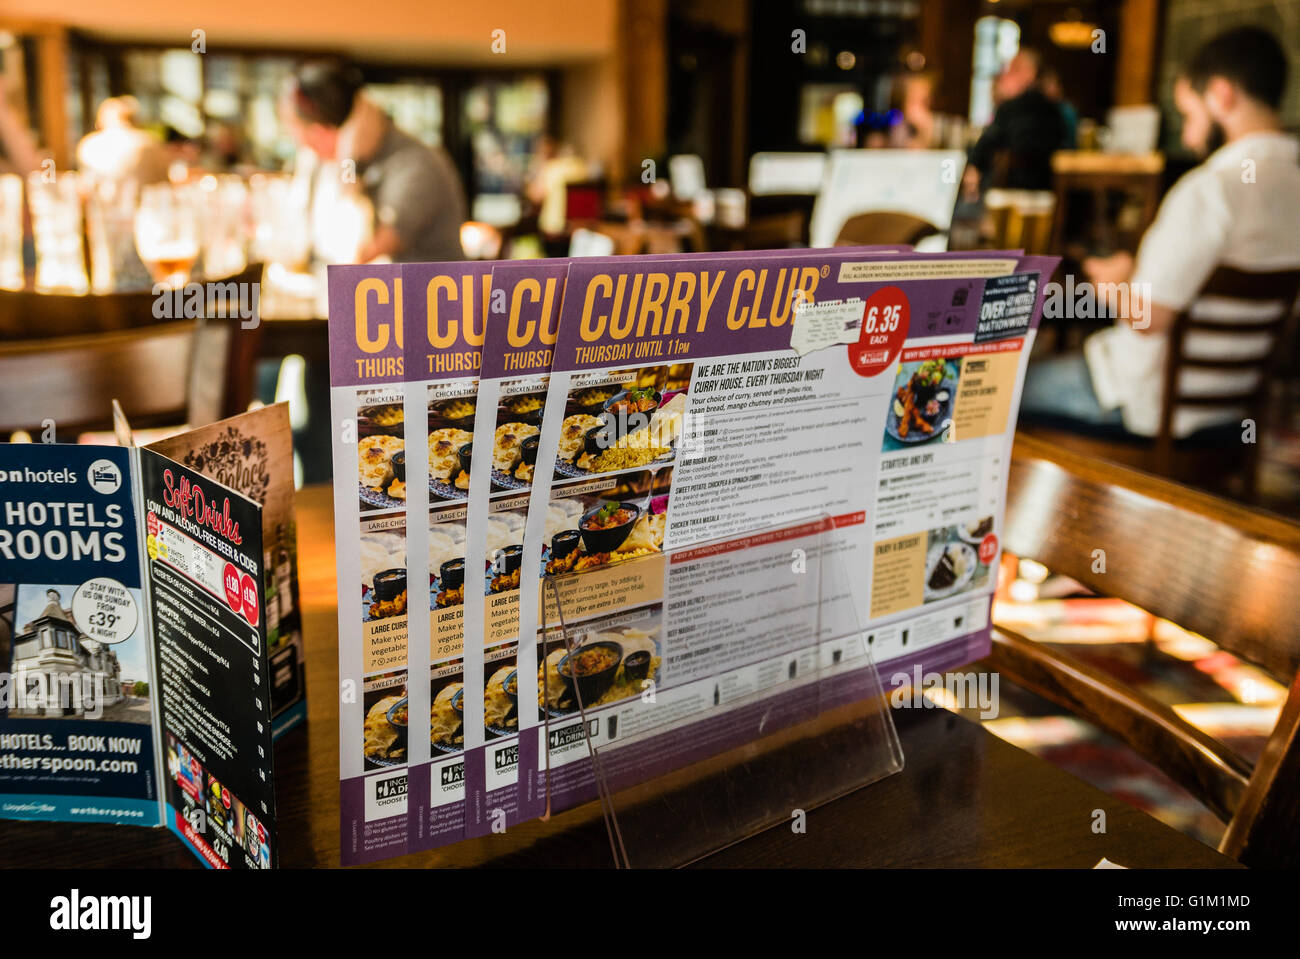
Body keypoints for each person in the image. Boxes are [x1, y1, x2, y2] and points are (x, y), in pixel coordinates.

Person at [1019, 26, 1300, 440]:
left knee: (995, 388)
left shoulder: (1211, 189)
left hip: (1141, 404)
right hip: (1231, 414)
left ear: (1222, 95)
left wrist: (1113, 285)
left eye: (1189, 116)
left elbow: (1150, 318)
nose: (1187, 136)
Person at [286, 60, 465, 263]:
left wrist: (350, 159)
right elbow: (298, 240)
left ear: (329, 131)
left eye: (308, 138)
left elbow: (355, 254)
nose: (307, 148)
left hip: (427, 294)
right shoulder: (330, 162)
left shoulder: (416, 166)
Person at [965, 49, 1066, 192]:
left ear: (1030, 73)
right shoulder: (1054, 108)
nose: (1006, 76)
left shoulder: (1011, 107)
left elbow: (988, 142)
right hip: (1051, 190)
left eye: (1014, 70)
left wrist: (974, 165)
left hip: (1013, 192)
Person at [75, 97, 170, 189]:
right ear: (135, 119)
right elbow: (165, 182)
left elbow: (85, 185)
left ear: (100, 121)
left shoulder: (89, 145)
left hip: (104, 203)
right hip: (148, 203)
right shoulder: (151, 142)